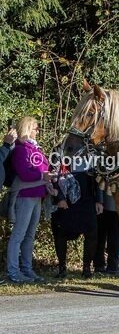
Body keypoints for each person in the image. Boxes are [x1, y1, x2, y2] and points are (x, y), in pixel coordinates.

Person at [6, 117, 49, 283]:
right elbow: (24, 174)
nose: (37, 131)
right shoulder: (21, 149)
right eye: (35, 128)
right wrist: (43, 176)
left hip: (37, 195)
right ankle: (13, 271)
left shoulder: (34, 148)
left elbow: (43, 168)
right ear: (27, 129)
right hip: (25, 195)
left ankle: (27, 269)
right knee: (19, 234)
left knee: (29, 236)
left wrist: (47, 182)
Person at [50, 155, 103, 279]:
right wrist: (59, 198)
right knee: (60, 234)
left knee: (92, 234)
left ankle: (86, 268)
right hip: (66, 200)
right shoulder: (59, 151)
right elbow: (53, 176)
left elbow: (98, 177)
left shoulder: (91, 153)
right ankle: (62, 268)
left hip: (87, 200)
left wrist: (99, 200)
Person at [97, 190, 119, 274]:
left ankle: (111, 266)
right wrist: (99, 201)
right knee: (101, 236)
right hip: (107, 203)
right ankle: (101, 265)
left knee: (114, 237)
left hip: (116, 204)